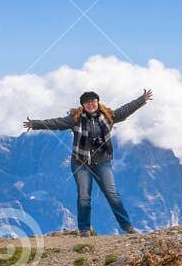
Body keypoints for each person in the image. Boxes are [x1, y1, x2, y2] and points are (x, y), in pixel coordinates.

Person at [23, 88, 154, 235]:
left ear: (98, 102)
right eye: (87, 102)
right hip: (81, 164)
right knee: (84, 196)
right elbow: (56, 123)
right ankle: (84, 230)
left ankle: (128, 227)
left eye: (93, 101)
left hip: (102, 162)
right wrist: (34, 124)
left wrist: (141, 100)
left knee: (112, 194)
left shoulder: (108, 116)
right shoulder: (75, 119)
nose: (90, 104)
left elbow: (125, 110)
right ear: (83, 105)